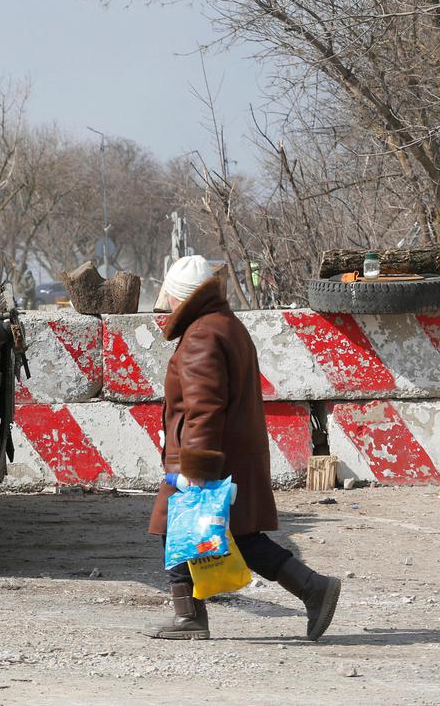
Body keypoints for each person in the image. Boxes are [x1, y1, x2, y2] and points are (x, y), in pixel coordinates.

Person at [145, 255, 341, 641]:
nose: (162, 300)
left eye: (167, 293)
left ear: (180, 297)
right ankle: (311, 588)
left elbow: (204, 407)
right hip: (232, 454)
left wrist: (196, 470)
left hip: (207, 458)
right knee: (239, 536)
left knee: (179, 527)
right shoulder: (225, 325)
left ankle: (192, 617)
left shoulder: (201, 335)